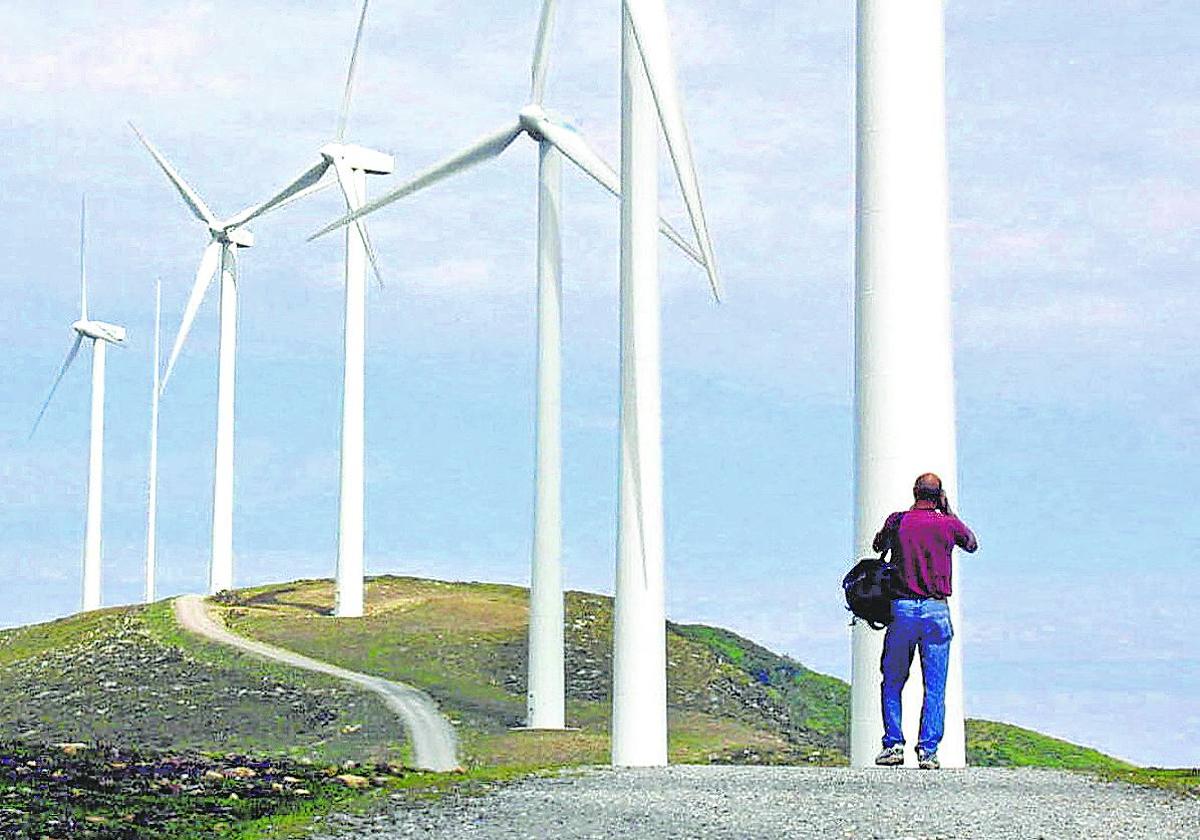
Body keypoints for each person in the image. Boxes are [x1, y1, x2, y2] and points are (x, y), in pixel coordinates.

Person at [872, 472, 977, 770]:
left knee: (893, 679)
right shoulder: (947, 524)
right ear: (939, 494)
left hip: (902, 608)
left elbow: (878, 547)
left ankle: (893, 744)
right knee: (935, 685)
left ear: (914, 491)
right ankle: (928, 751)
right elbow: (971, 544)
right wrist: (949, 511)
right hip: (936, 610)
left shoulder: (898, 520)